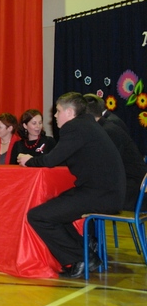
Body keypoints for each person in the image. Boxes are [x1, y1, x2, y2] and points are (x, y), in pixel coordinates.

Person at [18, 92, 125, 279]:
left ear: (69, 112)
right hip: (106, 192)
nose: (55, 116)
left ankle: (81, 258)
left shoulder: (75, 127)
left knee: (38, 216)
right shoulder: (87, 125)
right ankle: (86, 257)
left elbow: (51, 160)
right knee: (55, 211)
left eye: (58, 111)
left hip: (101, 194)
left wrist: (29, 161)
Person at [84, 94, 147, 211]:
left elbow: (105, 167)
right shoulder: (105, 128)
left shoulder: (107, 131)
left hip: (134, 193)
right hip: (130, 187)